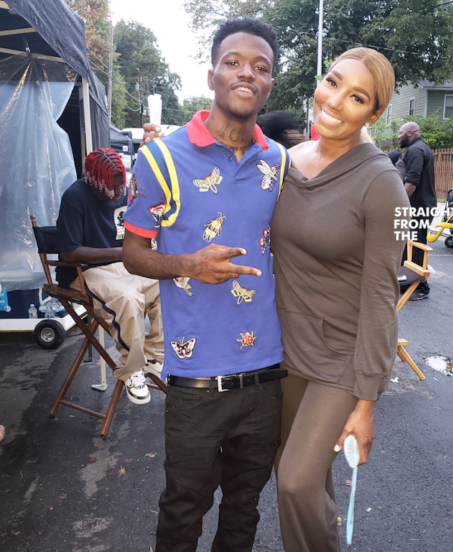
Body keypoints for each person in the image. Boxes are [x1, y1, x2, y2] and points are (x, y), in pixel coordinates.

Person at [122, 19, 290, 552]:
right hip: (196, 381)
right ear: (212, 74)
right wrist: (189, 264)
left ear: (270, 83)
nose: (247, 73)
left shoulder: (279, 162)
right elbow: (133, 254)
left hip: (267, 375)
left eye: (261, 67)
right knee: (182, 511)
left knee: (244, 510)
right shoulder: (161, 159)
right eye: (233, 62)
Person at [270, 48, 410, 552]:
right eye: (332, 82)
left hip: (341, 362)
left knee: (295, 481)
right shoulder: (285, 162)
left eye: (357, 97)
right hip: (286, 351)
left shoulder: (385, 186)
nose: (334, 101)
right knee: (300, 479)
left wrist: (367, 401)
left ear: (374, 114)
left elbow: (382, 297)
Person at [55, 148, 164, 405]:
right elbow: (69, 253)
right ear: (93, 180)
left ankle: (153, 355)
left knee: (166, 284)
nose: (117, 193)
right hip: (85, 270)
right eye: (110, 188)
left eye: (120, 186)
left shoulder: (125, 191)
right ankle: (132, 369)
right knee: (127, 297)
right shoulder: (74, 197)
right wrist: (120, 252)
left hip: (123, 266)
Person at [398, 121, 436, 300]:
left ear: (410, 133)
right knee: (408, 245)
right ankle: (406, 282)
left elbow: (412, 180)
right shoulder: (423, 148)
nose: (398, 137)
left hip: (418, 206)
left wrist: (400, 204)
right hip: (422, 205)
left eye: (401, 133)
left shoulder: (415, 150)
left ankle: (421, 287)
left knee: (415, 246)